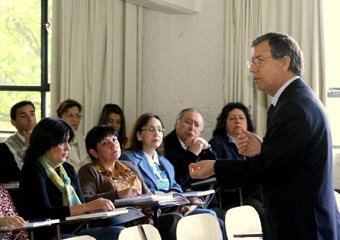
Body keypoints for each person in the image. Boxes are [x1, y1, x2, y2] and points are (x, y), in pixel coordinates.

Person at [189, 32, 340, 240]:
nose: (252, 68)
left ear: (284, 62)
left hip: (302, 226)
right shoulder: (297, 99)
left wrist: (214, 167)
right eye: (252, 61)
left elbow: (265, 169)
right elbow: (289, 161)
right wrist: (264, 149)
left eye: (259, 60)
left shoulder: (294, 107)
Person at [120, 113, 224, 240]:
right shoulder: (129, 159)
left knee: (209, 215)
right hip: (152, 212)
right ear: (139, 135)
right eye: (151, 129)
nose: (156, 133)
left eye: (159, 130)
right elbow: (132, 190)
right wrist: (157, 194)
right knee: (175, 220)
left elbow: (176, 185)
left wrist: (172, 193)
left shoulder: (165, 161)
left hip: (172, 206)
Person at [17, 118, 124, 240]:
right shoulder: (32, 168)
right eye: (62, 143)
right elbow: (44, 212)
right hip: (48, 234)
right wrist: (88, 207)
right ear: (46, 143)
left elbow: (83, 206)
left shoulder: (68, 169)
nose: (67, 148)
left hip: (76, 230)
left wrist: (97, 208)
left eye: (68, 142)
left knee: (120, 233)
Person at [78, 124, 153, 224]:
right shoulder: (89, 170)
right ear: (94, 153)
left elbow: (148, 199)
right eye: (105, 143)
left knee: (173, 219)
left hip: (140, 224)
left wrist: (149, 222)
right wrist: (117, 195)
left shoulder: (129, 166)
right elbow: (85, 201)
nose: (114, 145)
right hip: (111, 225)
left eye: (114, 139)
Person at [209, 102, 264, 221]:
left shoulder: (254, 142)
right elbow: (220, 172)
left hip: (256, 196)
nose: (237, 121)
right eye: (232, 118)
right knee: (261, 212)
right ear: (224, 123)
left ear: (247, 123)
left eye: (241, 118)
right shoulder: (217, 143)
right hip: (232, 199)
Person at [163, 108, 216, 189]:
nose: (192, 128)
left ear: (200, 132)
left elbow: (216, 172)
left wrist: (207, 148)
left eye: (197, 125)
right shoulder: (164, 146)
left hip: (206, 198)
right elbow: (177, 180)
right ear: (177, 124)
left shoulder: (199, 144)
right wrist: (192, 154)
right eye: (187, 122)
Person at [1, 101, 36, 182]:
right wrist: (27, 145)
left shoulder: (45, 139)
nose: (30, 119)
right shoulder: (6, 146)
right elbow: (24, 173)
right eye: (23, 116)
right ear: (13, 122)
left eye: (32, 114)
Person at [57, 99, 91, 172]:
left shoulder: (83, 140)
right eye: (70, 115)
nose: (74, 119)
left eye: (77, 115)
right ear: (59, 117)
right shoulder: (55, 141)